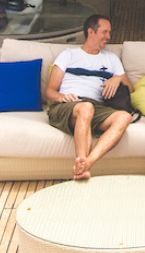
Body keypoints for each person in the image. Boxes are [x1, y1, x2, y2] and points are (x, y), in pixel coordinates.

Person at [44, 15, 133, 180]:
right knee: (86, 107)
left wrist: (117, 78)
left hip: (96, 107)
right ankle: (82, 164)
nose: (108, 37)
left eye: (109, 33)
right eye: (104, 32)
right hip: (68, 105)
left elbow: (131, 89)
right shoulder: (68, 55)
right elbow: (49, 91)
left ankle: (86, 164)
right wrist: (62, 97)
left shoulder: (111, 59)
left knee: (125, 117)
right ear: (90, 32)